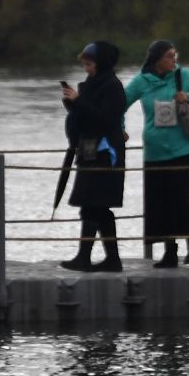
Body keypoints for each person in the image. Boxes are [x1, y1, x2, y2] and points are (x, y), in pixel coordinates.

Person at [123, 39, 189, 267]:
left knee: (181, 199)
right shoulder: (142, 82)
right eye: (169, 56)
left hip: (182, 148)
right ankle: (170, 251)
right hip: (154, 152)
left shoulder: (183, 76)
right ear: (156, 59)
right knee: (159, 202)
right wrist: (120, 127)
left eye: (175, 55)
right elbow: (119, 104)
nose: (174, 60)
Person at [60, 41, 128, 273]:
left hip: (106, 154)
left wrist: (79, 102)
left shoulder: (113, 87)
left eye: (89, 64)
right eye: (85, 64)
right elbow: (86, 116)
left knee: (94, 205)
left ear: (102, 63)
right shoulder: (89, 85)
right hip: (89, 150)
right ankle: (110, 259)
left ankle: (87, 257)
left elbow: (106, 120)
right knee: (92, 205)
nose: (86, 69)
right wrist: (72, 104)